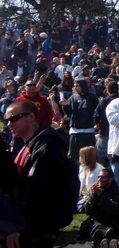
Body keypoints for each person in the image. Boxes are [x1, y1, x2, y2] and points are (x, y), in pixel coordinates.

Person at [4, 99, 73, 248]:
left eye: (14, 118)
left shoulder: (47, 146)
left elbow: (39, 192)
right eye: (7, 120)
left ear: (31, 117)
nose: (9, 124)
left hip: (37, 229)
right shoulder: (30, 144)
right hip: (27, 226)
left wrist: (21, 228)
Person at [78, 168, 119, 247]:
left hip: (113, 219)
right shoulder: (94, 190)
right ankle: (103, 235)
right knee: (93, 225)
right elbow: (86, 210)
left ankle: (105, 235)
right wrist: (92, 196)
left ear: (110, 179)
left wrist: (101, 195)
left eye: (102, 177)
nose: (99, 179)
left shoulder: (118, 191)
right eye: (98, 177)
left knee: (112, 226)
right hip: (97, 219)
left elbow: (114, 209)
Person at [60, 78, 98, 160]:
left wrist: (96, 122)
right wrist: (65, 105)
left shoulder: (92, 97)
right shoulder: (73, 97)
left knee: (88, 157)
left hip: (88, 131)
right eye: (74, 86)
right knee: (74, 156)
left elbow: (97, 111)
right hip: (75, 131)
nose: (75, 88)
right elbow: (69, 112)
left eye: (77, 86)